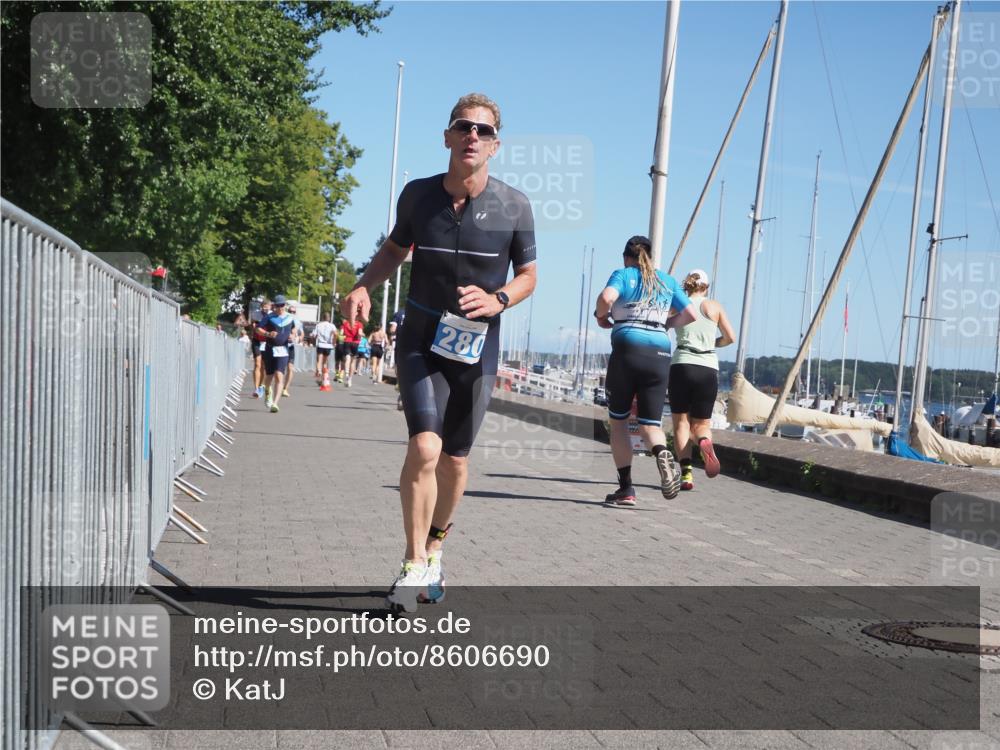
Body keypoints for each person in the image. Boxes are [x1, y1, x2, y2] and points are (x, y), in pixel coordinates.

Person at [341, 93, 536, 613]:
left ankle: (435, 546)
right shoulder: (418, 196)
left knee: (454, 460)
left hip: (476, 347)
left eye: (483, 130)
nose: (473, 136)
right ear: (447, 136)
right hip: (421, 338)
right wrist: (363, 285)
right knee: (425, 448)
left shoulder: (515, 205)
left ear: (495, 145)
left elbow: (528, 276)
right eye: (463, 127)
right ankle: (412, 563)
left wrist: (497, 300)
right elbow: (394, 249)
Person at [594, 235, 696, 506]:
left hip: (627, 349)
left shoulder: (623, 274)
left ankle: (626, 488)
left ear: (626, 257)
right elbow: (691, 314)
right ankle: (661, 451)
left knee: (618, 421)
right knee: (650, 424)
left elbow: (606, 298)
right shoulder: (667, 280)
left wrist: (601, 316)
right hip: (659, 353)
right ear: (650, 257)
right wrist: (666, 324)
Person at [669, 269, 735, 491]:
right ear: (706, 287)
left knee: (681, 422)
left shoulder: (679, 303)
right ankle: (704, 441)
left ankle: (686, 474)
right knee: (702, 425)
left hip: (682, 364)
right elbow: (730, 337)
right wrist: (712, 343)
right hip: (707, 367)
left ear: (687, 284)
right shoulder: (714, 306)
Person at [255, 295, 295, 413]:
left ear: (285, 305)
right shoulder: (269, 317)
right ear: (274, 306)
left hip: (283, 350)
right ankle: (268, 391)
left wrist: (293, 336)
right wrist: (267, 334)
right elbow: (258, 329)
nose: (280, 308)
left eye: (282, 305)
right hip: (270, 349)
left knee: (279, 374)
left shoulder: (290, 318)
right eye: (278, 306)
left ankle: (275, 403)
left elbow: (294, 329)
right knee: (269, 375)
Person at [249, 301, 271, 398]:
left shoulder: (272, 315)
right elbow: (252, 324)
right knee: (257, 364)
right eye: (264, 307)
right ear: (261, 307)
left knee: (264, 366)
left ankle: (261, 385)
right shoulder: (255, 314)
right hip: (257, 341)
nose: (265, 309)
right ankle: (256, 389)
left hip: (267, 342)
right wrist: (253, 326)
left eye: (267, 307)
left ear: (270, 307)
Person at [285, 304, 304, 396]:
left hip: (291, 346)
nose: (292, 313)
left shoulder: (298, 321)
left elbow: (302, 333)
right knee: (279, 369)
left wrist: (300, 338)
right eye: (290, 311)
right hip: (281, 346)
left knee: (290, 368)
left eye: (293, 312)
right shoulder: (283, 318)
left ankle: (285, 388)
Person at [312, 312, 337, 381]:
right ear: (329, 318)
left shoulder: (318, 325)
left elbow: (314, 335)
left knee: (319, 360)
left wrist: (314, 340)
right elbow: (335, 334)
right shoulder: (332, 326)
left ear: (323, 318)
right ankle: (324, 376)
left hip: (320, 344)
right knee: (325, 361)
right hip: (328, 345)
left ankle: (319, 371)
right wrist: (334, 342)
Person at [340, 317, 363, 388]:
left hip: (347, 341)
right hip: (355, 343)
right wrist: (360, 337)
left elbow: (341, 333)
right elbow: (360, 333)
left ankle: (346, 373)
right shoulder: (359, 324)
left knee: (347, 357)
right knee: (353, 361)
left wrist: (344, 336)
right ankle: (350, 379)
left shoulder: (345, 323)